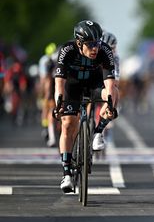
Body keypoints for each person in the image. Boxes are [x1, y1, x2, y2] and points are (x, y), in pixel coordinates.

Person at [53, 20, 118, 193]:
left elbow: (110, 83)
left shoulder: (104, 50)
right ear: (79, 43)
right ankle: (66, 173)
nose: (95, 48)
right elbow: (59, 82)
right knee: (67, 124)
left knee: (113, 93)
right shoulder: (67, 50)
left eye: (97, 43)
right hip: (72, 87)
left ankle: (98, 131)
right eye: (90, 44)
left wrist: (109, 104)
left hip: (95, 85)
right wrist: (59, 103)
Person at [38, 42, 58, 147]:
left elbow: (45, 79)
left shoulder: (50, 60)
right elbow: (45, 78)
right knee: (48, 109)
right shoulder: (45, 61)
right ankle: (47, 129)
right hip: (53, 85)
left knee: (49, 110)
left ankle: (50, 134)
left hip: (55, 85)